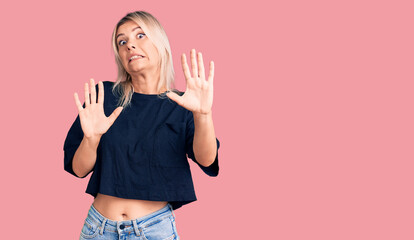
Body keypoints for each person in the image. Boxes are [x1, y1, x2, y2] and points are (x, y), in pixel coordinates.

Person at [63, 11, 221, 240]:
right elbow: (78, 169)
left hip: (153, 230)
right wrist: (91, 139)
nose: (130, 46)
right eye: (122, 41)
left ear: (161, 44)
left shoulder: (183, 104)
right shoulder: (103, 97)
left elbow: (207, 159)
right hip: (97, 229)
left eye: (140, 36)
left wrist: (203, 114)